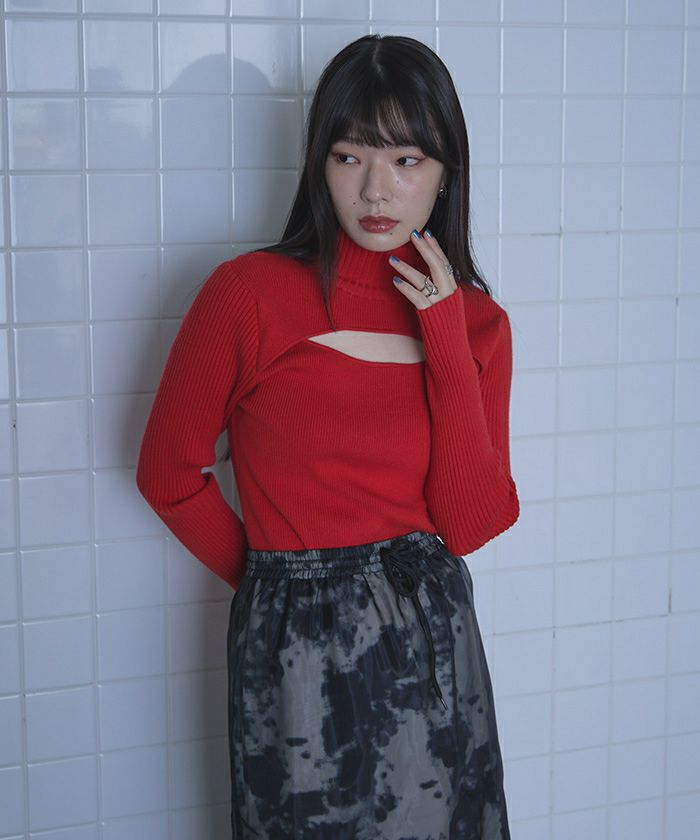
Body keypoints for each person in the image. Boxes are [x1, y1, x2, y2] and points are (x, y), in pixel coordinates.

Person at [136, 33, 519, 840]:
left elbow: (470, 524)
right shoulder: (248, 295)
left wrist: (446, 340)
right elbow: (168, 475)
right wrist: (284, 585)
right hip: (300, 655)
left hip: (435, 642)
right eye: (350, 157)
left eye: (407, 160)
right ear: (319, 163)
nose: (377, 189)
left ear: (446, 171)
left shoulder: (479, 324)